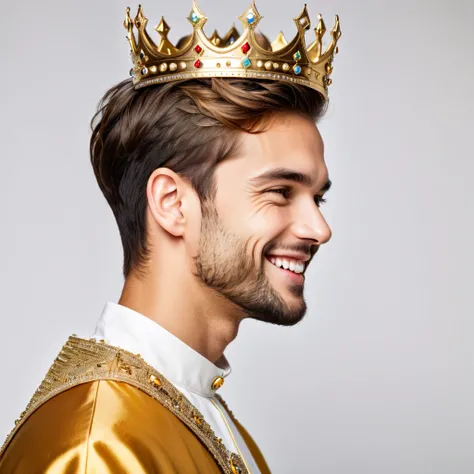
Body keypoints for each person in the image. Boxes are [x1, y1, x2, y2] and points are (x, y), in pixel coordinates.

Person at [0, 1, 341, 472]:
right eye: (281, 192)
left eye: (317, 198)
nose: (319, 229)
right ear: (172, 203)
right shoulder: (96, 446)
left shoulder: (201, 411)